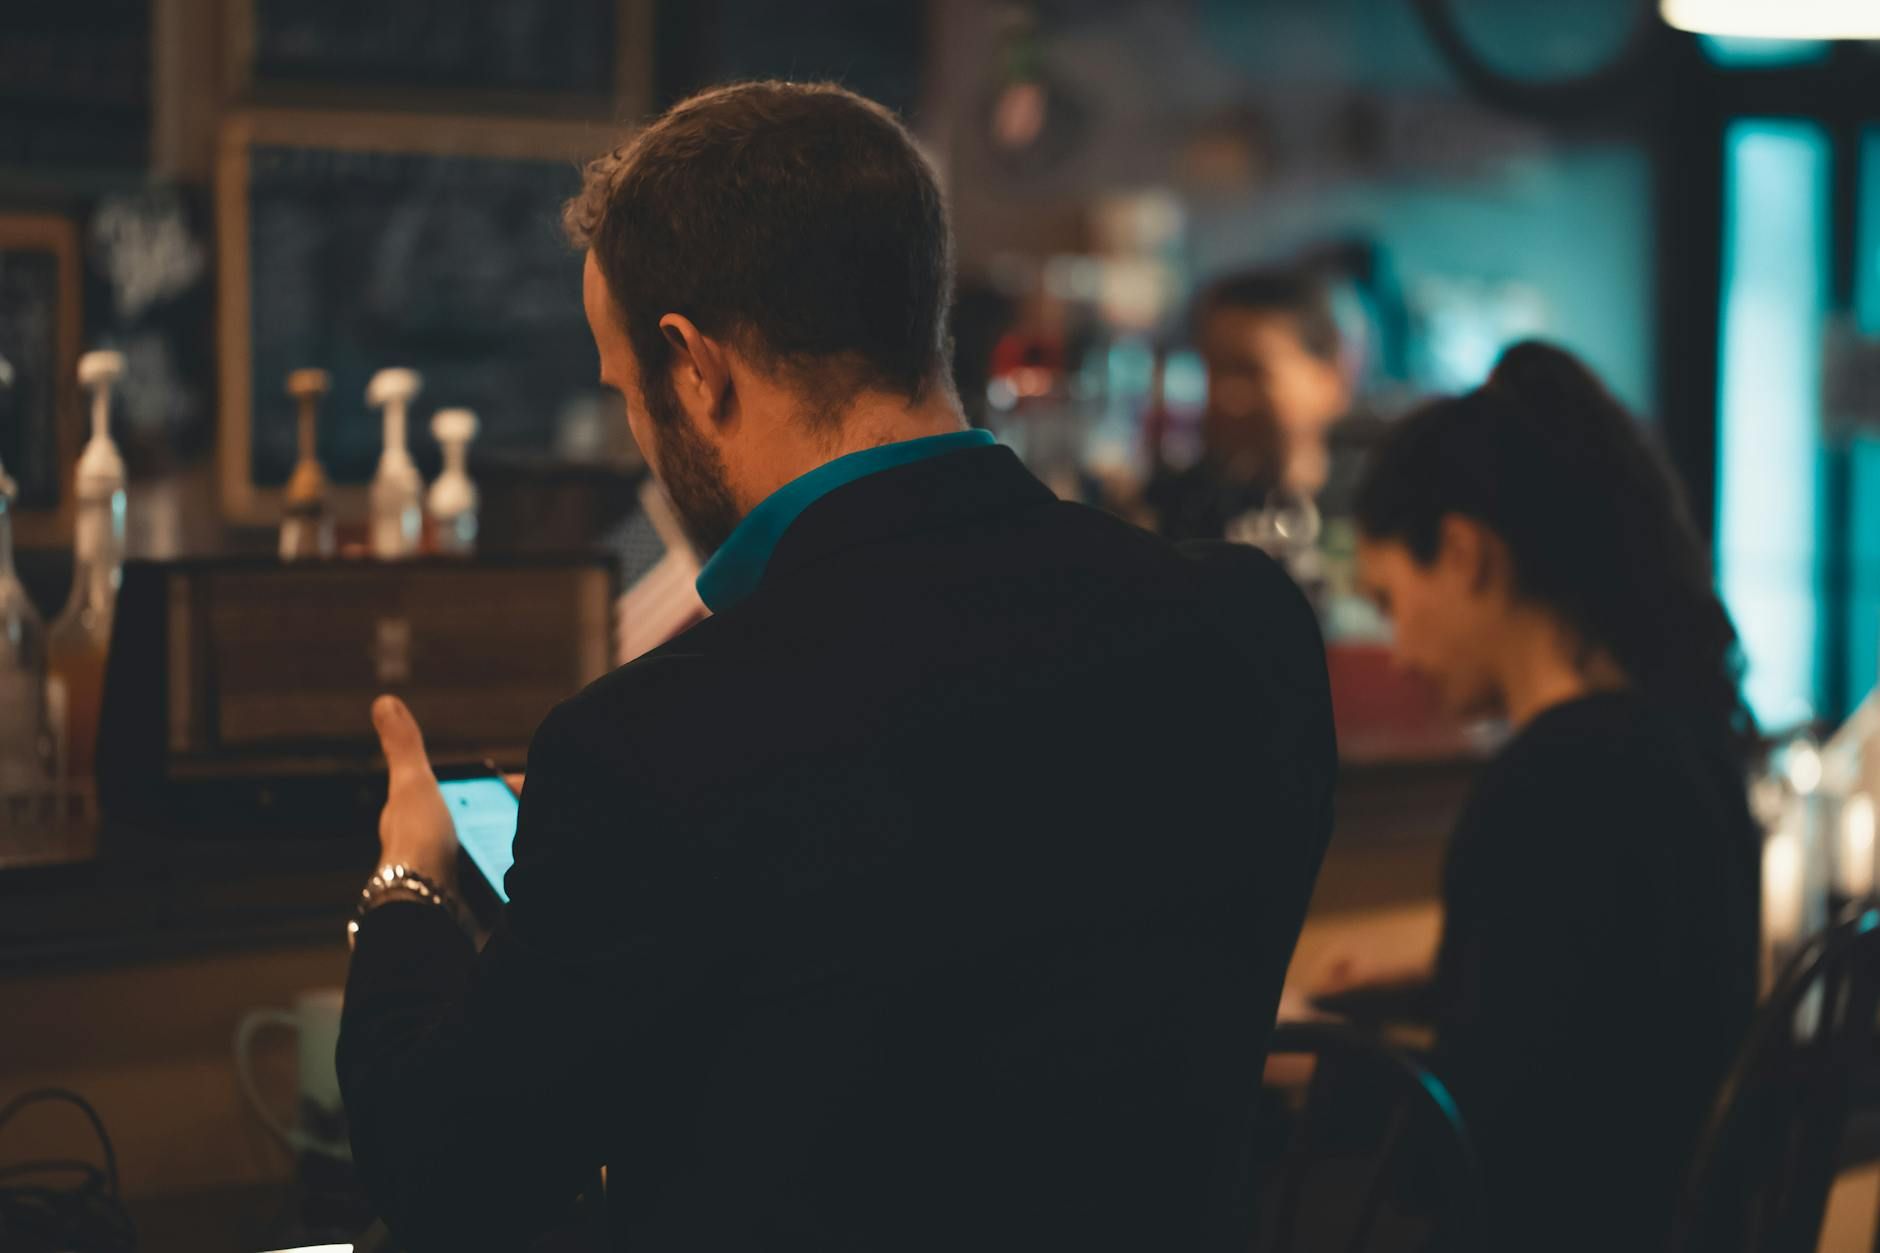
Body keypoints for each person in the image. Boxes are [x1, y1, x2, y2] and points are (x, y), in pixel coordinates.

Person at [338, 81, 1336, 1253]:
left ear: (694, 369)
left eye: (626, 395)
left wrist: (406, 886)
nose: (639, 438)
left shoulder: (653, 745)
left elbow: (455, 1178)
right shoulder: (1243, 627)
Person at [1322, 341, 1760, 1250]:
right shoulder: (1680, 744)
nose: (1396, 651)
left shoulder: (1556, 783)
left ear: (1466, 553)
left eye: (1392, 598)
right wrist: (1444, 975)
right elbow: (1596, 1030)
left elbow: (1488, 1134)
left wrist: (1312, 1065)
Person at [1146, 266, 1354, 543]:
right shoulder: (1167, 514)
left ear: (1331, 377)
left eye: (1252, 372)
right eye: (1215, 369)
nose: (1228, 396)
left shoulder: (1376, 513)